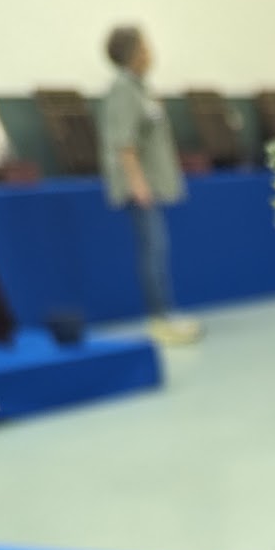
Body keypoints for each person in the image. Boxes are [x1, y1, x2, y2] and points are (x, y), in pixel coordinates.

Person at [97, 26, 200, 347]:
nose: (151, 51)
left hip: (152, 185)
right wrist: (138, 184)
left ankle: (166, 314)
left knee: (158, 250)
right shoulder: (123, 90)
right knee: (152, 251)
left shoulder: (142, 88)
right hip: (139, 189)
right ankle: (160, 319)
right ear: (134, 52)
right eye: (146, 46)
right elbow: (123, 143)